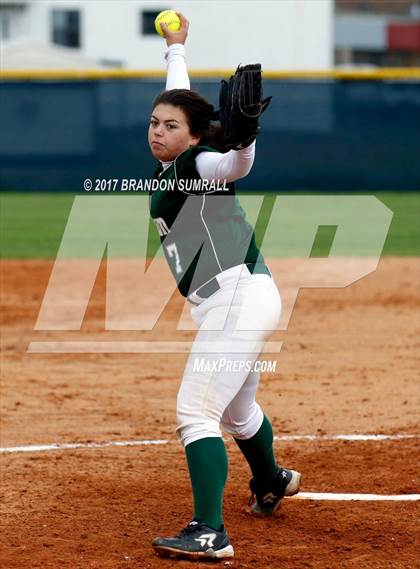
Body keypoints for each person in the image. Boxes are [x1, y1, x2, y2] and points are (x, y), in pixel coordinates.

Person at [149, 13, 301, 562]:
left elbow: (234, 165)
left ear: (192, 137)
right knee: (237, 413)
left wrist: (247, 139)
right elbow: (180, 99)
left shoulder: (200, 163)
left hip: (236, 297)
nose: (158, 130)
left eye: (170, 126)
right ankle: (271, 479)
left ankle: (210, 532)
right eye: (154, 123)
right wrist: (176, 48)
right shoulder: (179, 162)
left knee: (195, 412)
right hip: (240, 298)